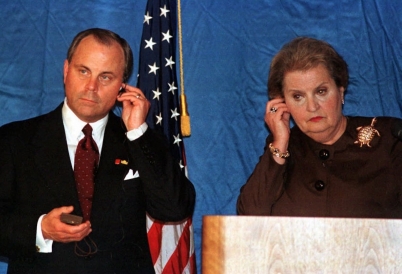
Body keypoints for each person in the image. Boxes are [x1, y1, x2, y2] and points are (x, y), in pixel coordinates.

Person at [0, 28, 195, 273]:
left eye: (105, 77)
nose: (91, 86)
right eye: (83, 71)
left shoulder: (142, 140)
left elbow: (174, 208)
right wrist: (41, 230)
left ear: (122, 87)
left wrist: (137, 133)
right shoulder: (13, 141)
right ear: (66, 71)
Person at [237, 37, 402, 218]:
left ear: (340, 92)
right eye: (298, 96)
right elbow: (248, 217)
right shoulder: (282, 149)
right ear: (283, 103)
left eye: (321, 92)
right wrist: (279, 144)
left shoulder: (388, 138)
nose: (312, 107)